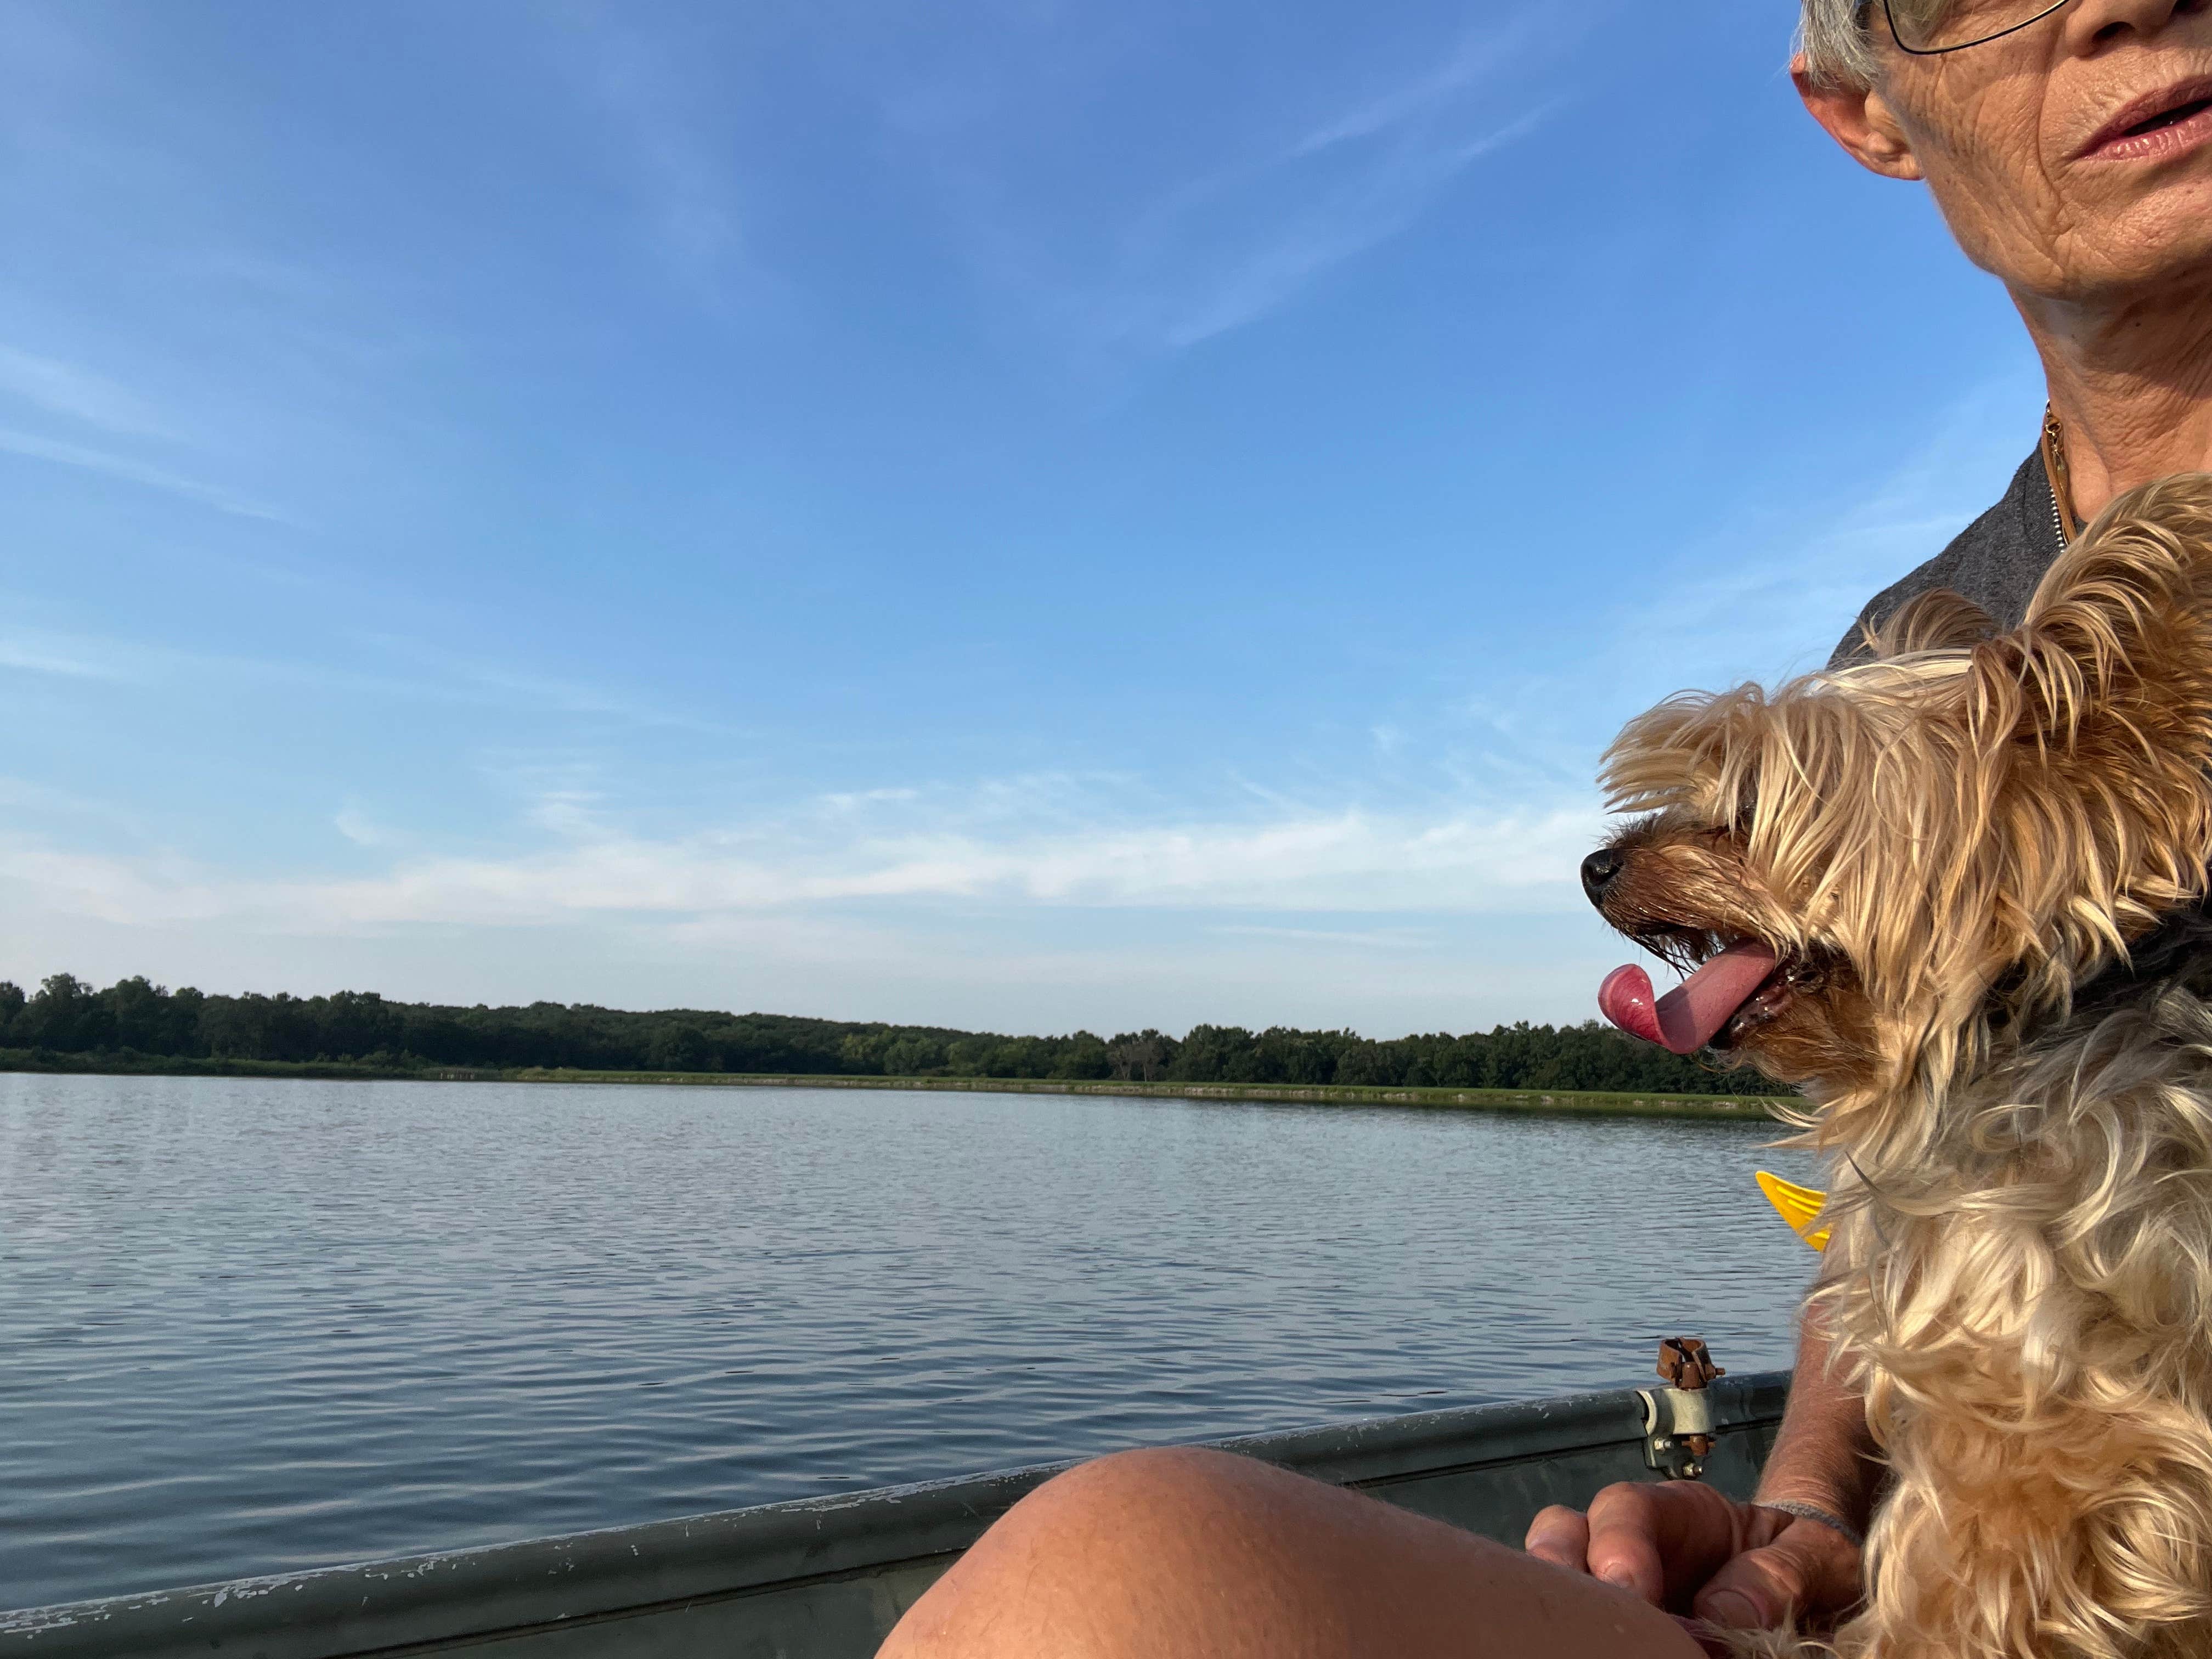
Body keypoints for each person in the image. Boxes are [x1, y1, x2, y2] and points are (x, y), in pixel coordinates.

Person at [880, 1, 2212, 1651]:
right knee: (1113, 1578)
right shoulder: (1932, 655)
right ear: (1862, 107)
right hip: (1966, 1588)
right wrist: (1803, 1514)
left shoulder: (2010, 711)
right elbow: (1910, 1195)